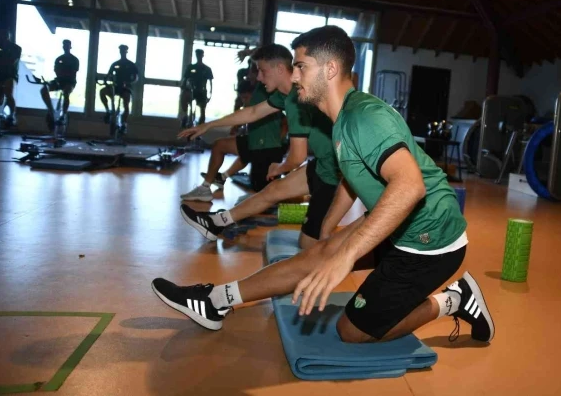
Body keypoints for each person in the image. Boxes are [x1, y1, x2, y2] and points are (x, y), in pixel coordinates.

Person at [152, 25, 494, 346]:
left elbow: (409, 187)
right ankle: (215, 300)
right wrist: (329, 230)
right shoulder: (341, 119)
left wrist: (345, 254)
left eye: (301, 66)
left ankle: (455, 299)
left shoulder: (365, 116)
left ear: (330, 69)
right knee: (315, 255)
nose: (293, 76)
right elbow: (352, 177)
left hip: (430, 242)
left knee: (352, 331)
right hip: (398, 221)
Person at [177, 44, 340, 251]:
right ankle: (215, 223)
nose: (259, 77)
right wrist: (209, 125)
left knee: (309, 246)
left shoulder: (297, 99)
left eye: (262, 71)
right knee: (273, 191)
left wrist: (279, 167)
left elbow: (297, 157)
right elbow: (253, 113)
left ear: (279, 69)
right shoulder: (287, 95)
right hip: (325, 164)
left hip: (336, 173)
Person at [181, 60, 286, 201]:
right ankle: (211, 184)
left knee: (266, 194)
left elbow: (284, 121)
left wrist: (280, 140)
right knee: (223, 146)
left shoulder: (264, 90)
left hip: (268, 147)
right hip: (254, 143)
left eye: (256, 71)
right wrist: (231, 125)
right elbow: (249, 113)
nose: (250, 75)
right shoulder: (257, 91)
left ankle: (218, 181)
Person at [41, 39, 79, 127]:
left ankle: (64, 114)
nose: (65, 47)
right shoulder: (59, 59)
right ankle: (51, 110)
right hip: (59, 81)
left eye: (67, 45)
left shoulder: (74, 59)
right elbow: (56, 70)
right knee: (44, 90)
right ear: (63, 47)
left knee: (66, 92)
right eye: (64, 45)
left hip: (70, 82)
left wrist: (63, 73)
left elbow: (73, 72)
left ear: (70, 47)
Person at [100, 44, 138, 129]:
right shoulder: (115, 64)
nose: (122, 52)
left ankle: (124, 123)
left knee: (126, 103)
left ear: (126, 52)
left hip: (126, 88)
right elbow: (109, 75)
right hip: (116, 86)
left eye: (124, 51)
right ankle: (108, 111)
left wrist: (128, 82)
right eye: (121, 51)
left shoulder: (131, 64)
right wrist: (105, 81)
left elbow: (136, 78)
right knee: (102, 91)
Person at [180, 49, 213, 126]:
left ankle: (200, 125)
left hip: (201, 91)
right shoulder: (190, 67)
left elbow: (210, 82)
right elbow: (185, 79)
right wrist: (183, 87)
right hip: (191, 91)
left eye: (200, 54)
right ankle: (185, 116)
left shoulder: (207, 69)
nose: (199, 56)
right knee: (184, 98)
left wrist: (210, 95)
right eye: (197, 54)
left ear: (202, 55)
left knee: (202, 111)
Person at [0, 28, 22, 127]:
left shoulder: (16, 48)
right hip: (0, 74)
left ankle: (12, 115)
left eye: (4, 35)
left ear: (8, 36)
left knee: (8, 92)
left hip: (10, 75)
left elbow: (11, 61)